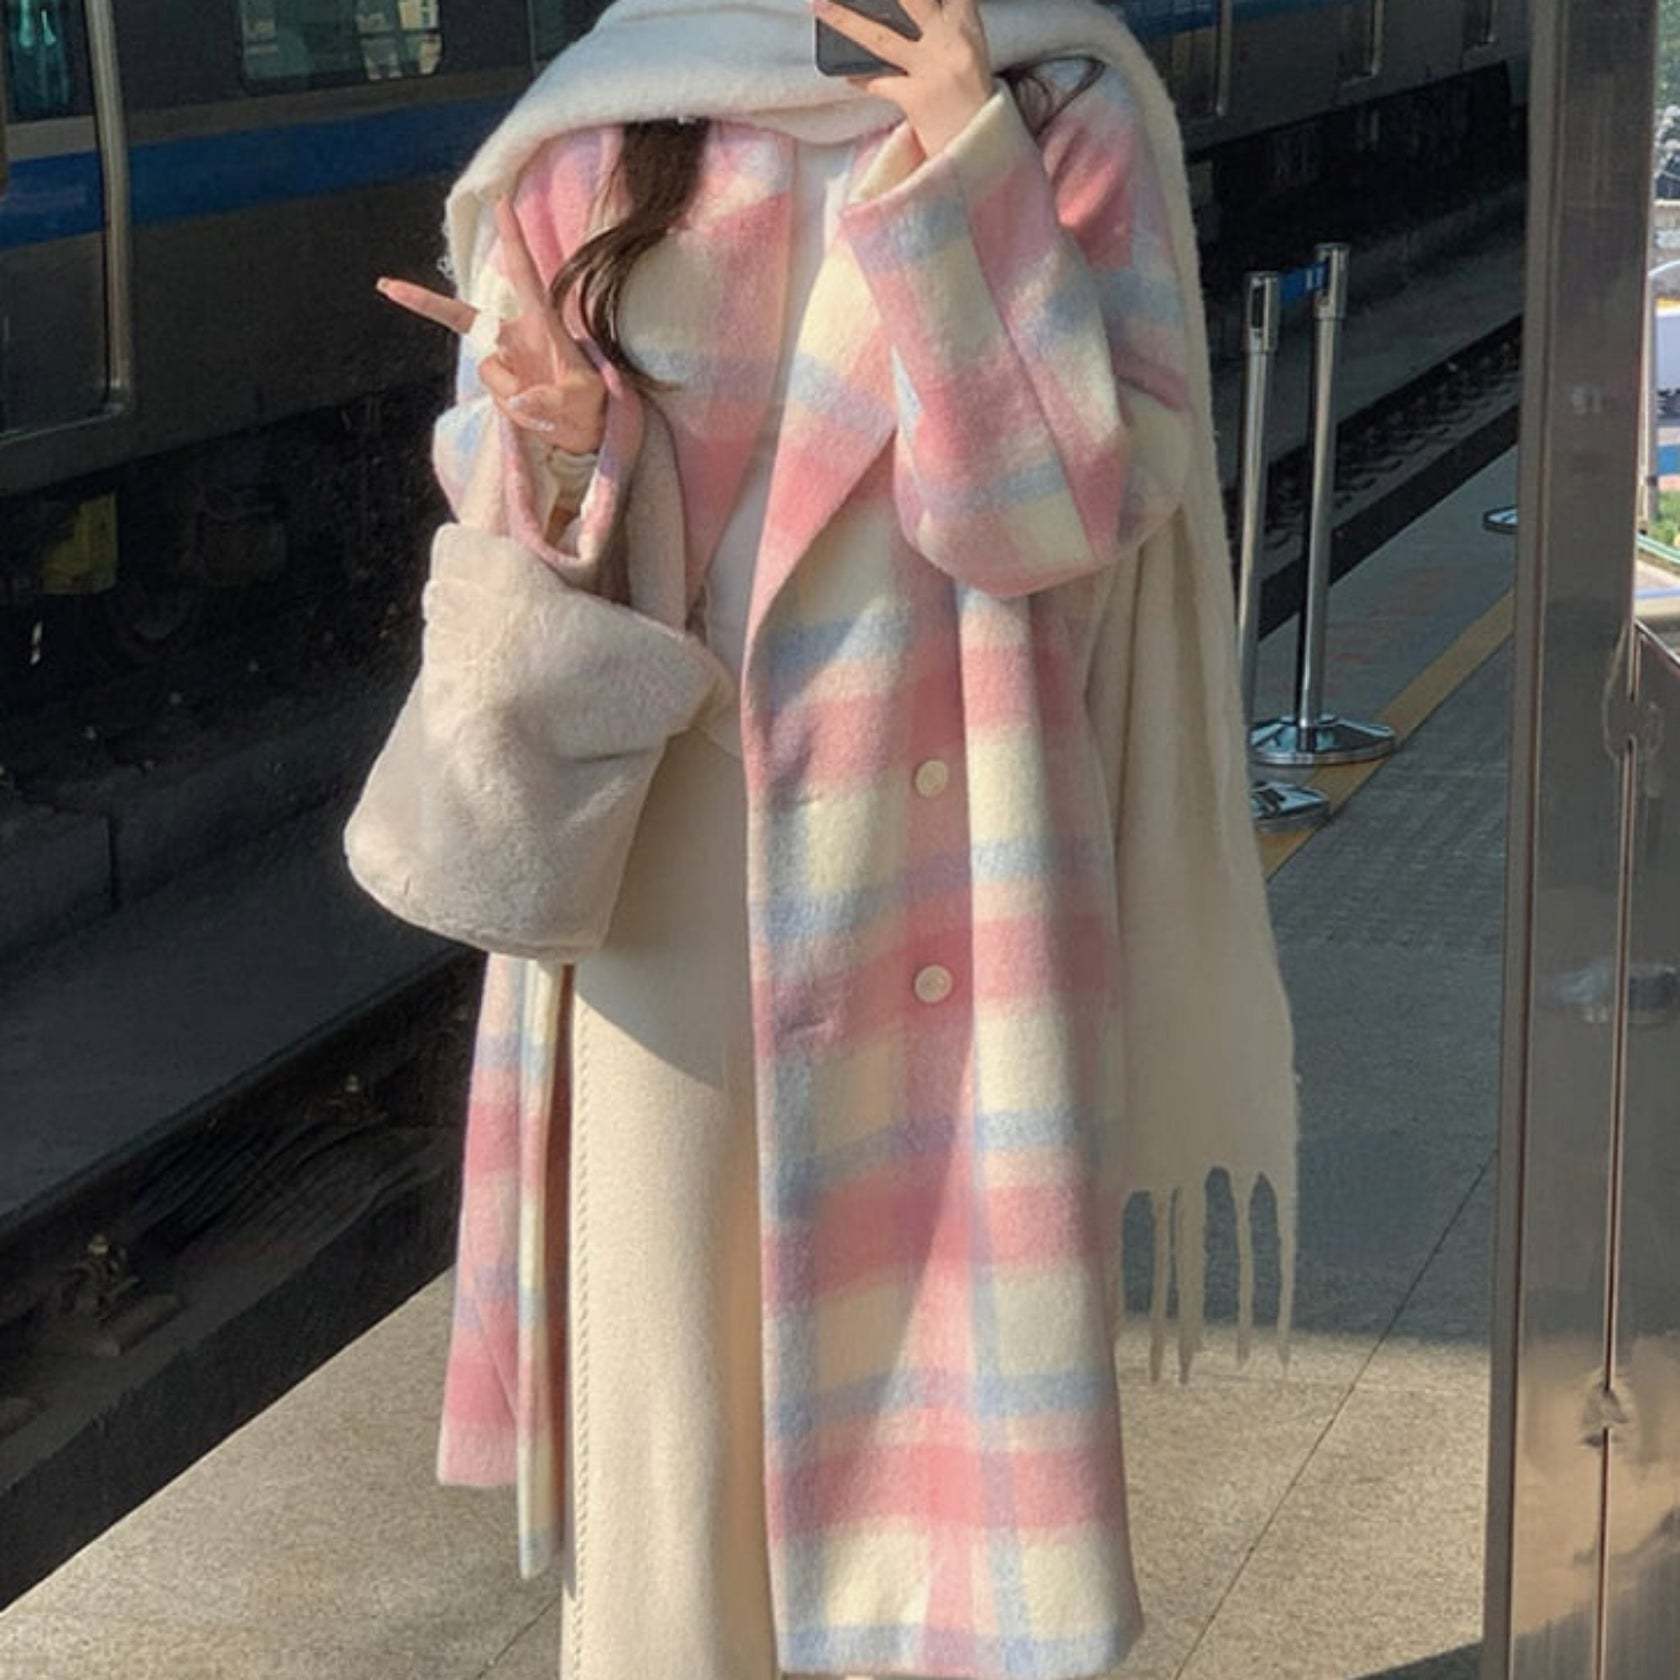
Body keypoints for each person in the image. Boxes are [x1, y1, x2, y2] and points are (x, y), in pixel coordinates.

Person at [371, 4, 1300, 1678]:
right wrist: (570, 448)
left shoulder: (1052, 104)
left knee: (929, 1413)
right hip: (670, 859)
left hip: (948, 846)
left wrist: (967, 168)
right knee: (672, 1408)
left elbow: (1060, 515)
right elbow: (511, 524)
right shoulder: (600, 120)